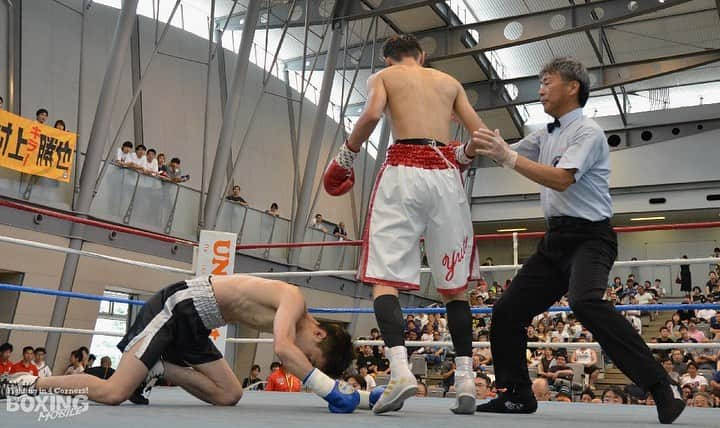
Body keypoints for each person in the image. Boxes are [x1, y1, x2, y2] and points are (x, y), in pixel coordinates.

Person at [471, 57, 685, 424]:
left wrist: (505, 156)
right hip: (554, 240)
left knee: (585, 301)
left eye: (547, 81)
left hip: (591, 237)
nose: (540, 88)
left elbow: (560, 179)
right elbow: (507, 153)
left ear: (573, 87)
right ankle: (517, 393)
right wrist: (480, 145)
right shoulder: (544, 134)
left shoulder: (588, 132)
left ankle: (662, 387)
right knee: (507, 310)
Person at [323, 34, 487, 415]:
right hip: (447, 176)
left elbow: (370, 116)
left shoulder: (384, 76)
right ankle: (465, 379)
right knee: (454, 288)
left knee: (386, 278)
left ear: (389, 58)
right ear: (422, 55)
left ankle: (400, 372)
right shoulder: (449, 82)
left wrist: (345, 157)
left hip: (403, 171)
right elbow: (480, 136)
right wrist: (458, 153)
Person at [2, 274, 356, 412]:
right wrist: (326, 388)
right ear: (320, 335)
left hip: (199, 325)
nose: (304, 360)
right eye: (312, 358)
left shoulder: (295, 315)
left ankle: (158, 366)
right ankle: (29, 383)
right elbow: (283, 348)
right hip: (178, 307)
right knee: (114, 393)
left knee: (230, 395)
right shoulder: (293, 300)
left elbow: (288, 350)